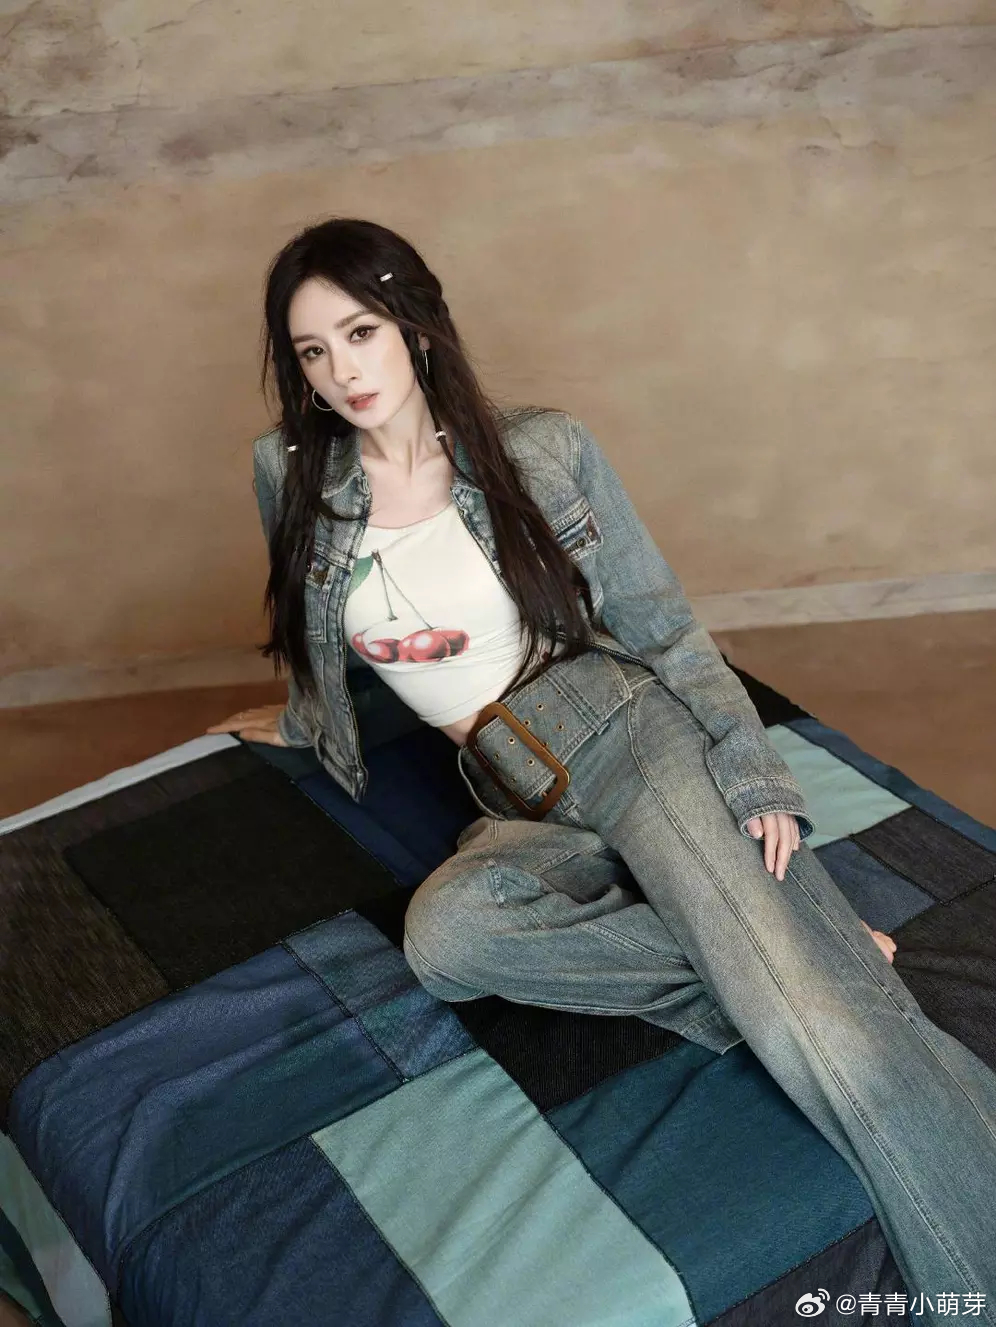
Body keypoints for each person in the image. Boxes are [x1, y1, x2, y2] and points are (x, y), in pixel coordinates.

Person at [207, 217, 994, 1314]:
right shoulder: (289, 473)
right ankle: (778, 949)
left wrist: (753, 770)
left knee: (823, 1031)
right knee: (447, 939)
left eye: (362, 332)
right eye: (313, 350)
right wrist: (305, 721)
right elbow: (309, 623)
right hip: (508, 792)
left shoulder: (542, 450)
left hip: (622, 735)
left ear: (417, 327)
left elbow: (666, 628)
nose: (342, 370)